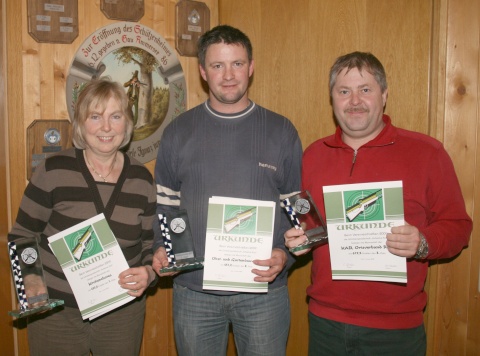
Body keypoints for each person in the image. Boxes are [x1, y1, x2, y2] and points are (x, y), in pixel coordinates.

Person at [284, 51, 473, 355]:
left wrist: (423, 242)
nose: (354, 101)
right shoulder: (312, 156)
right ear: (332, 99)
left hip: (396, 331)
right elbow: (307, 226)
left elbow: (458, 227)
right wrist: (299, 241)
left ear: (384, 95)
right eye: (344, 91)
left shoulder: (427, 153)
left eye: (365, 90)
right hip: (325, 323)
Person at [152, 25, 302, 356]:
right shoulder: (178, 132)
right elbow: (165, 205)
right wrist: (163, 248)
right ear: (203, 72)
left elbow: (297, 209)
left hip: (264, 291)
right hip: (194, 293)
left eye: (237, 63)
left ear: (251, 67)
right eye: (218, 66)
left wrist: (285, 255)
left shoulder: (281, 130)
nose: (229, 75)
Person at [8, 79, 157, 355]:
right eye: (95, 117)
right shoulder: (53, 170)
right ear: (80, 123)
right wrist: (30, 278)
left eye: (115, 116)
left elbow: (151, 243)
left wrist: (148, 273)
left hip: (121, 313)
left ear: (127, 123)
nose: (106, 127)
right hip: (56, 313)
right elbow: (22, 236)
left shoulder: (142, 179)